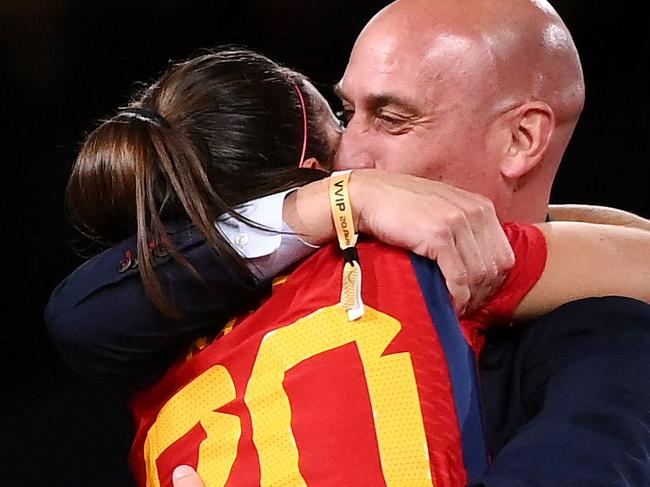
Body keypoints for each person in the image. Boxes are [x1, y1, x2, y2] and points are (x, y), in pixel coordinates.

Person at [48, 46, 650, 486]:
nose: (361, 157)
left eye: (386, 118)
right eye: (343, 123)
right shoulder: (402, 260)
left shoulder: (148, 351)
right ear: (315, 170)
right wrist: (343, 201)